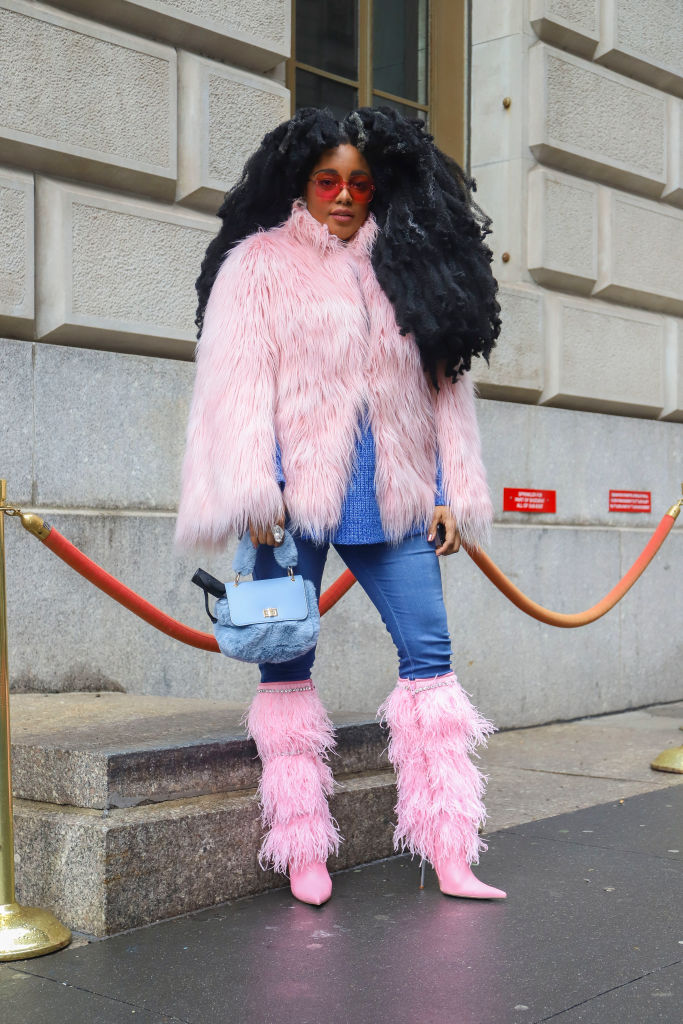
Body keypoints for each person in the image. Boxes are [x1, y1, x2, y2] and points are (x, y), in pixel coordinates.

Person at [175, 106, 505, 906]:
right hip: (287, 506)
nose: (344, 196)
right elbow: (234, 385)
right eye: (329, 181)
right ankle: (302, 850)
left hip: (393, 497)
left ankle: (450, 848)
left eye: (359, 182)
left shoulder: (411, 261)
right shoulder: (258, 264)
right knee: (284, 666)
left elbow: (445, 391)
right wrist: (254, 486)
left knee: (429, 658)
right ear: (302, 182)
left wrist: (451, 491)